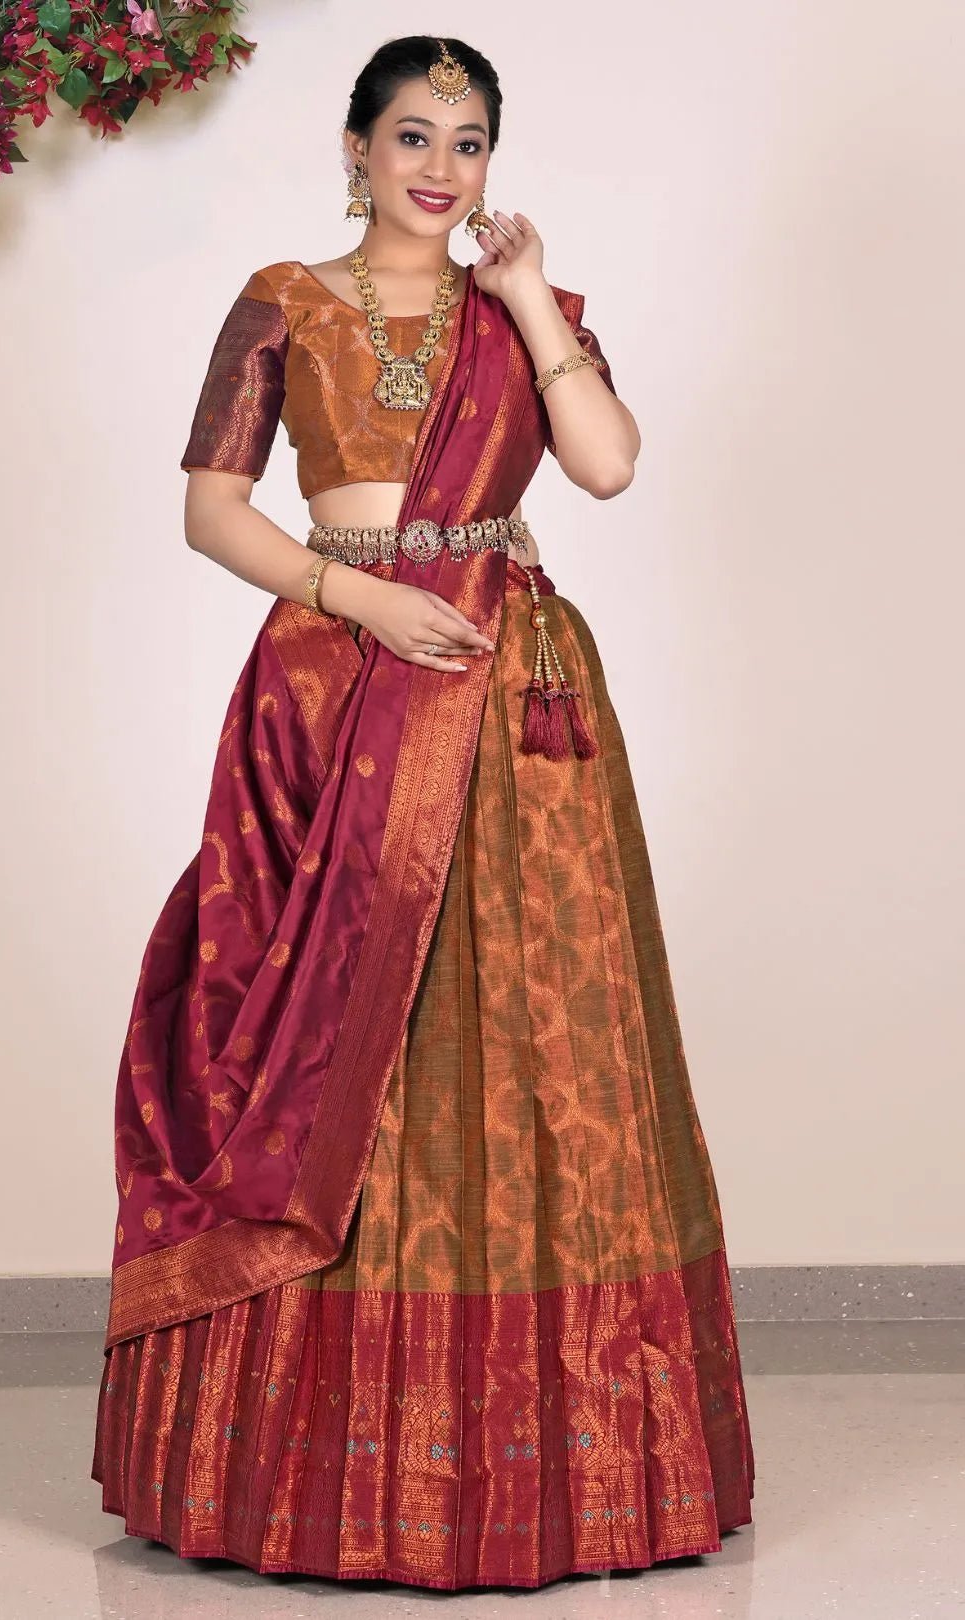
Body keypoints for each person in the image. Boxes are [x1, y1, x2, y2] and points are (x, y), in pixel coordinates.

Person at [91, 33, 755, 1591]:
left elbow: (608, 467)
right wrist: (362, 599)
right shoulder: (284, 300)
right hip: (337, 682)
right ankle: (299, 1465)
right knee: (320, 1029)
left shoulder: (519, 311)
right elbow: (211, 509)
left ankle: (553, 1463)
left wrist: (528, 300)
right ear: (356, 147)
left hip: (510, 694)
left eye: (467, 143)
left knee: (527, 1034)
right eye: (412, 136)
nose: (440, 168)